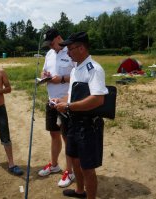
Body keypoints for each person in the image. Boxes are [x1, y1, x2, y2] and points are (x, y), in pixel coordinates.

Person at [53, 32, 108, 199]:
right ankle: (79, 191)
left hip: (88, 126)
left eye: (70, 49)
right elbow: (72, 96)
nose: (68, 53)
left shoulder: (94, 69)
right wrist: (59, 101)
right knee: (74, 160)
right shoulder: (77, 68)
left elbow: (98, 99)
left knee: (87, 167)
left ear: (82, 48)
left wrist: (68, 106)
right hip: (74, 123)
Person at [38, 28, 76, 188]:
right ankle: (54, 165)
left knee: (67, 137)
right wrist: (45, 76)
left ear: (59, 38)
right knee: (54, 134)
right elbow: (44, 70)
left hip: (65, 102)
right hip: (51, 101)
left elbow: (77, 75)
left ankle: (70, 172)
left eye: (52, 43)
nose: (51, 46)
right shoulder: (49, 54)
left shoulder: (71, 52)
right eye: (48, 44)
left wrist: (60, 79)